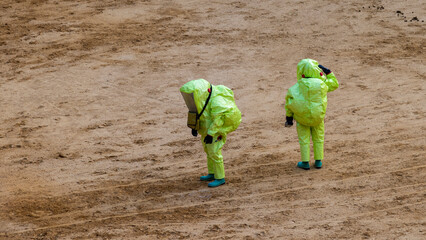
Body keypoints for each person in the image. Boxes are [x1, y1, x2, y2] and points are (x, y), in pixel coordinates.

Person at [180, 79, 241, 187]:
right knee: (208, 151)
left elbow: (218, 121)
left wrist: (211, 134)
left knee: (215, 152)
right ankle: (212, 173)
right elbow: (202, 115)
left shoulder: (217, 102)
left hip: (215, 132)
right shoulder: (204, 99)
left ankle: (220, 177)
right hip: (207, 131)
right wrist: (195, 127)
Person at [284, 59, 339, 170]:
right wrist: (328, 72)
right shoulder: (322, 84)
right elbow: (334, 84)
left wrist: (289, 118)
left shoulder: (296, 87)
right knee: (318, 137)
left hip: (302, 119)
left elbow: (289, 103)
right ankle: (318, 161)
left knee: (304, 139)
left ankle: (305, 162)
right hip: (318, 117)